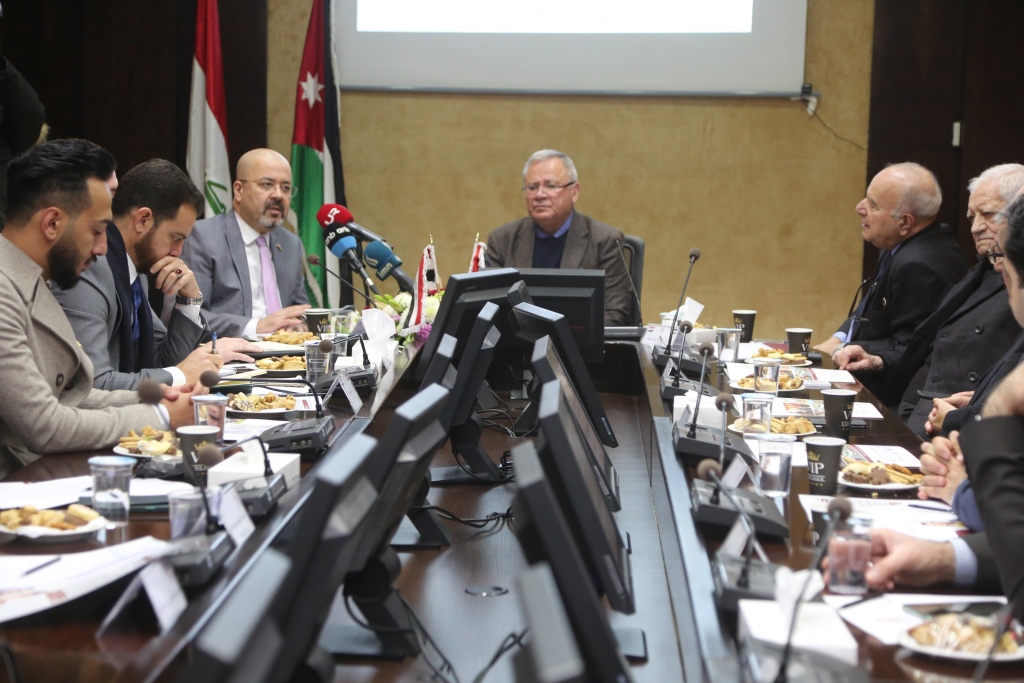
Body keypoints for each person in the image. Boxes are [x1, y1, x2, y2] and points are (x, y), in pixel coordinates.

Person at [0, 139, 197, 478]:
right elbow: (45, 425)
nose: (104, 248)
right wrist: (161, 416)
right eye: (97, 230)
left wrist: (165, 398)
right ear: (52, 223)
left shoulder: (34, 280)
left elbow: (72, 395)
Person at [834, 165, 1024, 433]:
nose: (976, 227)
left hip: (958, 427)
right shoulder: (981, 271)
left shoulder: (926, 261)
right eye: (972, 217)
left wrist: (967, 413)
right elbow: (928, 343)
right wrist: (878, 359)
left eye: (989, 214)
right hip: (923, 408)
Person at [52, 159, 261, 390]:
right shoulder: (89, 269)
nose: (178, 252)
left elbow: (162, 361)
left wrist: (189, 300)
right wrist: (181, 374)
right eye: (176, 238)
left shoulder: (136, 269)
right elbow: (92, 385)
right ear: (142, 220)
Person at [814, 163, 969, 396]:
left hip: (889, 394)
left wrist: (843, 348)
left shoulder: (920, 266)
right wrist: (838, 339)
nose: (859, 208)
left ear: (905, 222)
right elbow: (868, 310)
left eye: (873, 204)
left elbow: (908, 348)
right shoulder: (900, 244)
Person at [485, 149, 632, 327]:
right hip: (517, 341)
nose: (540, 195)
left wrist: (561, 334)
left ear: (574, 192)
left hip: (578, 341)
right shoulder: (502, 240)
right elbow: (489, 308)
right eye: (532, 187)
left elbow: (616, 315)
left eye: (551, 186)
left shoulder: (605, 241)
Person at [179, 148, 310, 337]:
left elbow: (300, 309)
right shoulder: (203, 236)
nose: (278, 195)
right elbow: (185, 315)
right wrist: (256, 326)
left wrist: (299, 322)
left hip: (287, 351)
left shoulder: (290, 243)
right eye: (267, 184)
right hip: (232, 352)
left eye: (286, 188)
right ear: (239, 190)